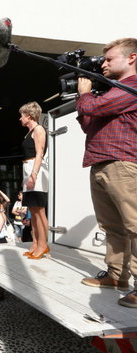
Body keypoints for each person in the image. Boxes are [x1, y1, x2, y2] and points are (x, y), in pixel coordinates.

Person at [77, 38, 137, 308]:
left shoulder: (132, 87)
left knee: (135, 226)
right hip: (102, 162)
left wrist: (85, 93)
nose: (103, 64)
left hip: (123, 163)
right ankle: (117, 277)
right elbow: (89, 124)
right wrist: (86, 99)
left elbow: (92, 107)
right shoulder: (113, 92)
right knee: (112, 227)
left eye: (110, 59)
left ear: (131, 58)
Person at [19, 101, 49, 260]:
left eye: (21, 115)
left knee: (39, 211)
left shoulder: (38, 130)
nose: (20, 119)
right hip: (28, 169)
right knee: (32, 210)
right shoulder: (28, 132)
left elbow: (39, 153)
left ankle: (43, 244)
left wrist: (34, 175)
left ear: (29, 115)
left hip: (35, 169)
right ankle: (36, 242)